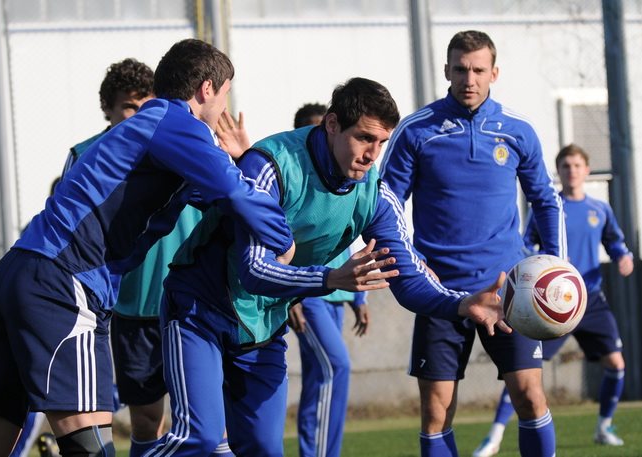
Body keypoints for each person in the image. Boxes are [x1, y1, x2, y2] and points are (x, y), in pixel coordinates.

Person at [146, 77, 511, 456]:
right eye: (364, 138)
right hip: (200, 309)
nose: (372, 155)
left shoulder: (374, 194)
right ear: (332, 124)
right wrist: (330, 278)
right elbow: (254, 270)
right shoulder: (271, 165)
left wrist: (461, 302)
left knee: (264, 449)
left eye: (382, 142)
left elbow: (406, 277)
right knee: (201, 439)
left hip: (262, 325)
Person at [0, 38, 296, 457]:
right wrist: (283, 239)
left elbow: (217, 201)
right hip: (65, 281)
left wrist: (240, 163)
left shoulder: (150, 129)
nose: (224, 107)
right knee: (89, 445)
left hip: (17, 271)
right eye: (225, 93)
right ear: (206, 89)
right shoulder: (177, 123)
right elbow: (236, 194)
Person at [380, 30, 566, 457]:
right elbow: (385, 205)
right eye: (461, 69)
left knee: (530, 396)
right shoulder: (416, 130)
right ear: (446, 70)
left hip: (510, 292)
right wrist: (411, 263)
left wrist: (556, 266)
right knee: (436, 412)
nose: (469, 79)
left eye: (479, 70)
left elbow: (546, 199)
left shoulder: (517, 130)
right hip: (440, 293)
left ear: (494, 73)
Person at [472, 143, 633, 456]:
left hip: (589, 299)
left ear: (587, 170)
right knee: (524, 372)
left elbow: (615, 243)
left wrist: (623, 257)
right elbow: (526, 246)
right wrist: (547, 263)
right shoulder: (548, 209)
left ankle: (604, 426)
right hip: (547, 305)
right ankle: (494, 436)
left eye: (577, 165)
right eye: (566, 166)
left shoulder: (600, 209)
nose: (572, 171)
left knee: (616, 363)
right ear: (558, 172)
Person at [285, 102, 366, 457]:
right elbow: (282, 244)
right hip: (309, 294)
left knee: (321, 376)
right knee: (335, 366)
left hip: (337, 295)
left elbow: (351, 239)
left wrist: (359, 298)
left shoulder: (345, 181)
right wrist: (292, 295)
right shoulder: (294, 178)